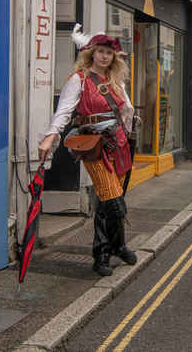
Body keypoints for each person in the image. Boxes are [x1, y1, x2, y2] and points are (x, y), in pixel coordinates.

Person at [38, 27, 136, 277]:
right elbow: (63, 112)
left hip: (120, 144)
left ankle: (107, 251)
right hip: (94, 145)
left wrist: (128, 134)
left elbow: (127, 110)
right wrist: (51, 137)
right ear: (91, 54)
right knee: (113, 200)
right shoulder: (78, 79)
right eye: (100, 52)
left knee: (106, 201)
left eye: (109, 53)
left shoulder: (117, 81)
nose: (104, 56)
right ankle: (114, 247)